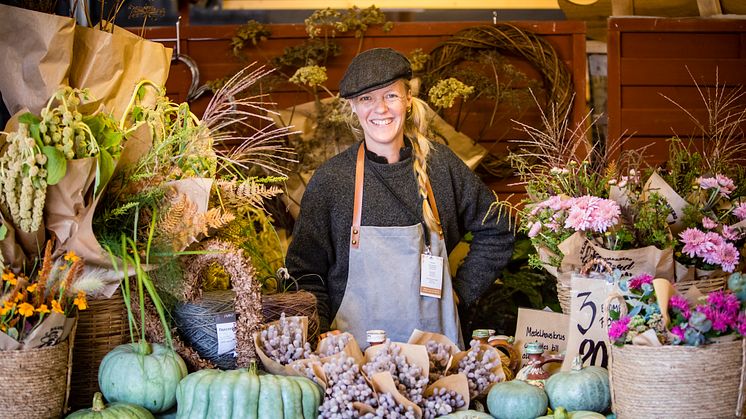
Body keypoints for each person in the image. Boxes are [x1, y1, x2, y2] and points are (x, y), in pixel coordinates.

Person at [285, 47, 514, 348]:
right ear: (353, 106)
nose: (380, 109)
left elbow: (499, 225)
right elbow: (305, 271)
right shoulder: (332, 181)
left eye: (390, 96)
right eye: (367, 98)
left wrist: (462, 291)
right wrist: (320, 330)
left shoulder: (441, 167)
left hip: (438, 362)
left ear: (407, 100)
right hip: (355, 366)